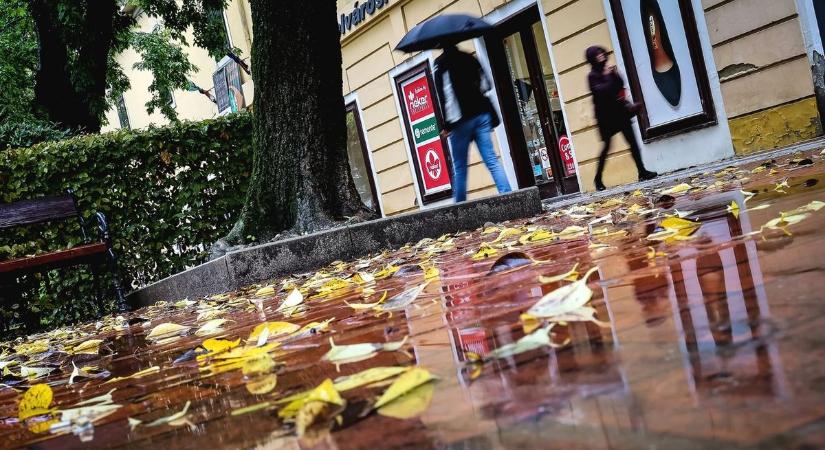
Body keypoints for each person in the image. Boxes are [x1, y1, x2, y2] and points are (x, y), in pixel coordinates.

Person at [434, 44, 511, 203]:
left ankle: (459, 210)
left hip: (461, 121)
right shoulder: (469, 57)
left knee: (461, 168)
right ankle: (509, 197)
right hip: (482, 115)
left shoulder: (441, 64)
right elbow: (486, 85)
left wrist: (446, 126)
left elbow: (446, 97)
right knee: (492, 160)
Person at [585, 46, 657, 191]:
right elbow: (601, 91)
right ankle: (598, 179)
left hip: (619, 112)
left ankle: (642, 171)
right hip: (605, 117)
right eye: (597, 54)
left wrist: (615, 74)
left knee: (632, 142)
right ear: (592, 58)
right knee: (607, 147)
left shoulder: (608, 70)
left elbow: (619, 86)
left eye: (601, 53)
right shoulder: (592, 76)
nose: (600, 56)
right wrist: (607, 76)